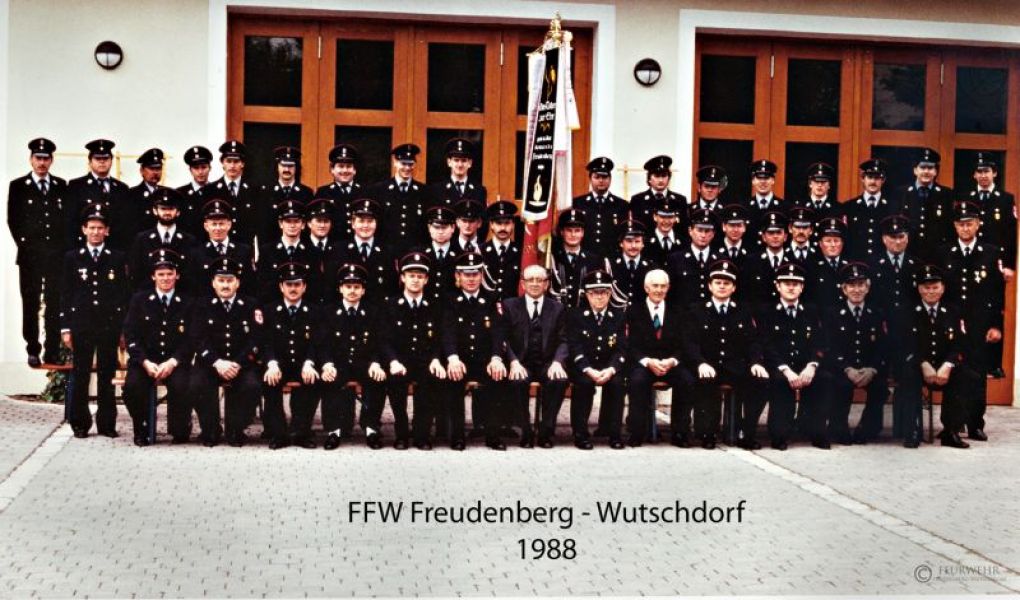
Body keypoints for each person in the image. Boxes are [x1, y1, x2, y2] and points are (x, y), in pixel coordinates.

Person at [684, 259, 769, 449]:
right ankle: (708, 432)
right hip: (708, 364)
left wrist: (756, 362)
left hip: (735, 365)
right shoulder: (697, 310)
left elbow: (753, 341)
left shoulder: (743, 310)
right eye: (718, 282)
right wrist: (699, 362)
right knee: (704, 382)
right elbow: (690, 342)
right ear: (710, 286)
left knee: (760, 381)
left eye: (726, 283)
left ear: (733, 287)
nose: (722, 286)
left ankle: (746, 431)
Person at [937, 201, 1004, 442]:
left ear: (978, 224)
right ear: (955, 226)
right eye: (961, 224)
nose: (965, 228)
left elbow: (997, 293)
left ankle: (975, 423)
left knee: (977, 374)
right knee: (953, 371)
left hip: (980, 324)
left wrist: (996, 325)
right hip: (952, 322)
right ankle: (950, 425)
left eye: (970, 223)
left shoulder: (991, 252)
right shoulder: (944, 252)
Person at [61, 204, 128, 438]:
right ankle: (80, 423)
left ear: (107, 231)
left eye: (100, 228)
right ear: (84, 229)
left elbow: (123, 295)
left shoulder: (116, 258)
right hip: (82, 325)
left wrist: (123, 329)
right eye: (92, 227)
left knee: (106, 375)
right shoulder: (73, 257)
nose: (96, 232)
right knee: (81, 374)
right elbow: (66, 294)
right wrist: (66, 327)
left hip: (109, 326)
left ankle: (107, 424)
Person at [188, 256, 262, 447]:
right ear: (213, 283)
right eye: (221, 280)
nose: (225, 285)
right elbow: (197, 338)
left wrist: (238, 363)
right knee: (196, 385)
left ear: (238, 282)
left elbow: (255, 339)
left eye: (230, 280)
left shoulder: (250, 305)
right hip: (210, 363)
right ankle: (211, 429)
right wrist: (217, 362)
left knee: (252, 386)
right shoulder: (201, 305)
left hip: (241, 363)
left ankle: (236, 428)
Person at [122, 249, 193, 446]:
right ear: (153, 276)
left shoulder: (187, 302)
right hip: (145, 360)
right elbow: (131, 335)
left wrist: (173, 361)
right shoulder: (139, 300)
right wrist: (144, 361)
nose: (165, 278)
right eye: (161, 274)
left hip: (174, 361)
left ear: (177, 275)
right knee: (132, 387)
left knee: (183, 386)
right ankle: (142, 427)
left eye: (170, 274)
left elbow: (191, 339)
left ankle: (179, 427)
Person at [377, 252, 447, 450]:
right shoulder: (390, 305)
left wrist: (436, 359)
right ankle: (401, 433)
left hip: (425, 360)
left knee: (431, 381)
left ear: (426, 279)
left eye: (419, 276)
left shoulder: (434, 306)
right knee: (396, 381)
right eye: (411, 275)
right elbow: (383, 339)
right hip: (400, 361)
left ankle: (421, 434)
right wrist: (392, 361)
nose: (415, 280)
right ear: (402, 278)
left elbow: (439, 338)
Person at [8, 137, 67, 366]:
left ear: (51, 160)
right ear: (31, 159)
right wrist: (27, 247)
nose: (42, 163)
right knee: (31, 303)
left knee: (54, 302)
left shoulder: (60, 186)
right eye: (38, 158)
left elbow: (64, 221)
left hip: (55, 257)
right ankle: (33, 348)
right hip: (30, 257)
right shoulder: (18, 186)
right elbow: (13, 220)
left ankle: (52, 350)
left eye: (46, 158)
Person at [496, 265, 569, 449]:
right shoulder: (509, 306)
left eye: (540, 280)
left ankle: (546, 431)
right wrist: (513, 362)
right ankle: (526, 431)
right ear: (523, 283)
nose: (535, 284)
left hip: (547, 363)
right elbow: (503, 338)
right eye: (530, 280)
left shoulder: (558, 308)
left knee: (559, 380)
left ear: (546, 284)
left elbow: (564, 340)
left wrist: (558, 362)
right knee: (517, 381)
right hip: (521, 362)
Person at [441, 252, 506, 450]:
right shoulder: (449, 300)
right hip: (459, 359)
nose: (471, 279)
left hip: (484, 359)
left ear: (481, 275)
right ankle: (457, 436)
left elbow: (498, 332)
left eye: (475, 274)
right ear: (458, 276)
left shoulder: (491, 299)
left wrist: (496, 358)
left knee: (497, 377)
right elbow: (447, 331)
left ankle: (493, 435)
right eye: (466, 274)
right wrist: (452, 358)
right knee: (454, 379)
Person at [758, 263, 827, 450]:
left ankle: (816, 432)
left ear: (802, 287)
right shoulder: (767, 311)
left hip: (805, 366)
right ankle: (779, 435)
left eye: (795, 284)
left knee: (823, 379)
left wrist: (812, 365)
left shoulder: (811, 310)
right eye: (786, 283)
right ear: (777, 286)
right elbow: (767, 345)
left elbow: (819, 342)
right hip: (779, 366)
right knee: (781, 382)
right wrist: (786, 370)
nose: (791, 287)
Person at [319, 264, 387, 449]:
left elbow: (378, 342)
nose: (352, 291)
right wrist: (327, 364)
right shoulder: (328, 312)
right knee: (330, 379)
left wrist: (375, 363)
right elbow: (323, 343)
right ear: (340, 288)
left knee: (377, 378)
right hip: (338, 363)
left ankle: (371, 428)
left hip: (364, 362)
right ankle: (334, 431)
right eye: (348, 286)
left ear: (363, 290)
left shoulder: (373, 312)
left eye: (357, 287)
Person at [900, 265, 967, 448]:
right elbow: (903, 345)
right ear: (919, 289)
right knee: (908, 375)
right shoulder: (907, 312)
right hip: (917, 365)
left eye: (935, 287)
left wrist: (949, 364)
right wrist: (922, 362)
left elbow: (960, 343)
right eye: (926, 287)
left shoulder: (953, 312)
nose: (931, 292)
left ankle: (951, 431)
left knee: (964, 375)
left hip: (943, 366)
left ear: (943, 288)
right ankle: (913, 429)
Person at [625, 269, 694, 447]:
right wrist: (647, 361)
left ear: (668, 288)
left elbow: (684, 343)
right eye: (655, 286)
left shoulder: (678, 312)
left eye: (663, 286)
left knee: (687, 380)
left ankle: (680, 432)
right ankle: (636, 432)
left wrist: (673, 361)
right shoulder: (633, 311)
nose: (659, 290)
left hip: (670, 363)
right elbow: (629, 344)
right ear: (646, 288)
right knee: (637, 381)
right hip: (644, 363)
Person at [822, 263, 888, 446]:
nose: (856, 290)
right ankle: (838, 428)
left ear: (868, 288)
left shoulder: (877, 313)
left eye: (861, 285)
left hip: (869, 369)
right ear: (844, 289)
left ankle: (867, 429)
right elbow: (829, 347)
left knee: (880, 388)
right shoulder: (833, 314)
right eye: (851, 285)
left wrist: (872, 369)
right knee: (840, 385)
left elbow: (883, 347)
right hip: (842, 369)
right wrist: (846, 368)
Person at [963, 152, 1016, 379]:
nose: (983, 175)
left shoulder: (1005, 199)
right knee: (971, 307)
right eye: (979, 171)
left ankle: (994, 364)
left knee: (994, 309)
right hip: (971, 260)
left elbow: (1011, 234)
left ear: (994, 173)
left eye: (987, 171)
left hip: (997, 264)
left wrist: (1010, 265)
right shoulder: (967, 197)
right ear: (974, 175)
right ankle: (970, 361)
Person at [260, 262, 321, 450]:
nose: (293, 289)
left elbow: (317, 342)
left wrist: (310, 363)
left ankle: (301, 432)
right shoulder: (269, 311)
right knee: (269, 381)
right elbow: (265, 341)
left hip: (304, 363)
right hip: (279, 364)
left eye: (297, 284)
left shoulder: (314, 311)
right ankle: (279, 434)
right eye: (288, 284)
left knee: (312, 380)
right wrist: (271, 363)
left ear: (304, 287)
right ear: (281, 287)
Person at [564, 270, 628, 449]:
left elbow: (622, 348)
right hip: (584, 366)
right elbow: (574, 346)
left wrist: (612, 369)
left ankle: (614, 434)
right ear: (587, 294)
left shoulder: (619, 316)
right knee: (583, 384)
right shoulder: (575, 315)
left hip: (608, 366)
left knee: (617, 384)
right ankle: (580, 434)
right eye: (594, 293)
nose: (599, 297)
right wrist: (588, 369)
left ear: (610, 294)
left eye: (604, 292)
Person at [327, 198, 397, 304]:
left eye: (370, 221)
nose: (365, 226)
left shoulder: (387, 251)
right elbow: (331, 286)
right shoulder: (338, 250)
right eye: (361, 221)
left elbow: (392, 288)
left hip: (378, 309)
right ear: (353, 224)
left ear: (376, 223)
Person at [126, 188, 197, 290]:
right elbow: (135, 274)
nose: (167, 213)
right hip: (147, 295)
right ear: (155, 211)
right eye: (163, 209)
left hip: (181, 295)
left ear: (178, 212)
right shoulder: (142, 239)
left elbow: (191, 275)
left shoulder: (189, 240)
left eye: (171, 209)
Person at [66, 139, 128, 249]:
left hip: (115, 250)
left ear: (111, 161)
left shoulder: (122, 188)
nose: (102, 162)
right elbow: (71, 223)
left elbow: (125, 224)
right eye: (97, 158)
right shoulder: (76, 186)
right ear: (90, 162)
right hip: (85, 248)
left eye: (105, 158)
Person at [187, 197, 255, 296]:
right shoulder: (196, 253)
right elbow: (194, 287)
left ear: (229, 225)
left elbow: (250, 285)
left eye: (221, 224)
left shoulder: (244, 251)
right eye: (214, 224)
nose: (218, 228)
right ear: (206, 226)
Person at [895, 147, 953, 261]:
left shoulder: (946, 194)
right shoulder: (901, 193)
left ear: (935, 171)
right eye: (922, 167)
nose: (926, 171)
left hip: (938, 255)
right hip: (908, 254)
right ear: (915, 170)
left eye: (930, 168)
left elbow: (949, 228)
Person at [370, 143, 430, 253]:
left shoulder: (424, 191)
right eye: (403, 163)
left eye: (410, 164)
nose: (407, 168)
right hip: (386, 251)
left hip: (415, 251)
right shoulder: (380, 190)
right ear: (395, 163)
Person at [255, 199, 312, 304]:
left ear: (303, 224)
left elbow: (315, 286)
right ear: (280, 224)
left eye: (296, 221)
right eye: (288, 221)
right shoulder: (267, 251)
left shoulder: (312, 251)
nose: (292, 225)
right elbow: (261, 285)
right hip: (272, 307)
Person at [205, 140, 259, 247]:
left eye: (236, 161)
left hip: (245, 247)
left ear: (242, 164)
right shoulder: (210, 190)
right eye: (229, 161)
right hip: (219, 246)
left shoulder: (254, 190)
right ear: (222, 163)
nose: (232, 165)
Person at [550, 209, 606, 307]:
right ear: (562, 232)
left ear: (582, 233)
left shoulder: (594, 260)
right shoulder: (552, 258)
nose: (573, 235)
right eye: (569, 230)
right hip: (557, 312)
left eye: (577, 230)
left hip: (584, 312)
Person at [257, 146, 314, 244]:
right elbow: (261, 224)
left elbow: (308, 225)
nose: (287, 169)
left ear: (296, 168)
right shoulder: (265, 192)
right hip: (271, 246)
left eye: (291, 166)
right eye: (283, 165)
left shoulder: (306, 193)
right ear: (277, 166)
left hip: (299, 246)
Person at [572, 156, 628, 256]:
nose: (601, 180)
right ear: (590, 179)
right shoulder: (578, 203)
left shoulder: (622, 205)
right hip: (585, 257)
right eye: (597, 177)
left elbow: (623, 234)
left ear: (610, 179)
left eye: (604, 177)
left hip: (612, 257)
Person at [666, 208, 721, 308]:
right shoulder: (676, 259)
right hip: (683, 314)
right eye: (699, 230)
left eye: (707, 231)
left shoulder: (720, 259)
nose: (703, 235)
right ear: (690, 231)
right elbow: (671, 294)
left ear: (713, 234)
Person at [844, 158, 894, 261]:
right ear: (863, 178)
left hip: (882, 264)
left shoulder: (893, 207)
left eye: (877, 178)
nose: (873, 182)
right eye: (870, 177)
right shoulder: (849, 207)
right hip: (856, 263)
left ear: (883, 180)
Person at [117, 148, 165, 249]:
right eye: (151, 169)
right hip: (140, 248)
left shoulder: (166, 194)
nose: (155, 172)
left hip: (163, 247)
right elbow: (127, 229)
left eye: (158, 168)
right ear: (142, 171)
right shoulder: (131, 195)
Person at [629, 155, 688, 232]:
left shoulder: (680, 200)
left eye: (664, 176)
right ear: (649, 178)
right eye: (657, 176)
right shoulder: (638, 200)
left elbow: (683, 229)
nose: (661, 180)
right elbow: (636, 229)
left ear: (669, 178)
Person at [315, 143, 363, 240]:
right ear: (332, 169)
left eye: (348, 166)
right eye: (341, 166)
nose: (345, 170)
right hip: (332, 244)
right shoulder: (323, 193)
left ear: (354, 170)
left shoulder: (364, 192)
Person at [806, 217, 850, 310]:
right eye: (828, 241)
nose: (833, 245)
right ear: (820, 244)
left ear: (842, 243)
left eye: (836, 241)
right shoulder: (812, 267)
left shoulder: (849, 266)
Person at [481, 200, 522, 300]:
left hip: (512, 306)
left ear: (513, 225)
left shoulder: (521, 252)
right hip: (487, 306)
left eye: (507, 223)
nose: (503, 228)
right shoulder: (480, 251)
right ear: (491, 225)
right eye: (498, 223)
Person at [608, 220, 654, 308]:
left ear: (643, 244)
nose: (633, 246)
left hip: (642, 314)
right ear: (621, 243)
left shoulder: (652, 267)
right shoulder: (610, 266)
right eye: (629, 241)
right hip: (617, 314)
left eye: (637, 241)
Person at [430, 137, 487, 207]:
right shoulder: (438, 190)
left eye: (464, 160)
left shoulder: (479, 191)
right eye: (456, 160)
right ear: (449, 162)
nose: (460, 165)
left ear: (470, 163)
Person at [744, 159, 784, 251]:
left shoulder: (784, 207)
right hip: (750, 255)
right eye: (759, 178)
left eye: (766, 178)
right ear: (753, 181)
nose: (763, 182)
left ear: (773, 180)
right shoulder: (744, 207)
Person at [175, 145, 214, 238]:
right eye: (196, 168)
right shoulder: (180, 193)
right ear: (190, 170)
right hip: (188, 243)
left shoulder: (217, 191)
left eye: (203, 167)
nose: (200, 172)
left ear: (210, 168)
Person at [644, 196, 685, 265]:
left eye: (670, 217)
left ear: (675, 218)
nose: (666, 221)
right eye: (662, 217)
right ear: (655, 217)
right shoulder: (645, 242)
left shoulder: (684, 242)